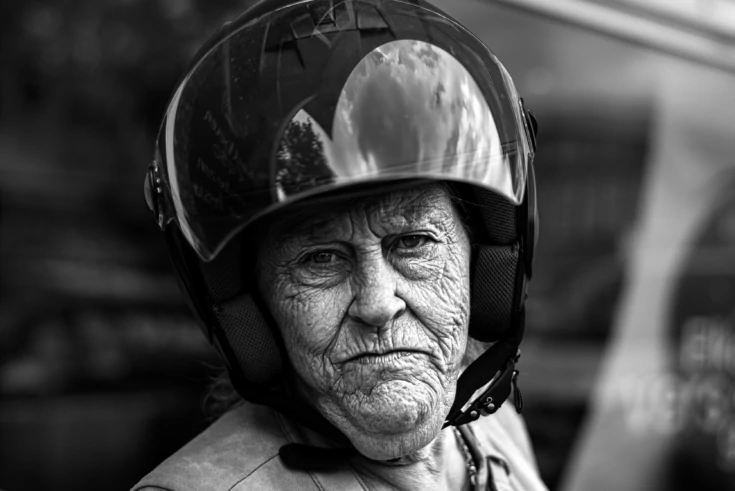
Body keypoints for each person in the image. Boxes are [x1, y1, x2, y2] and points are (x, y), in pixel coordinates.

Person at [135, 0, 547, 489]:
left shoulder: (496, 432)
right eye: (320, 259)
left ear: (484, 259)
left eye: (412, 242)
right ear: (250, 306)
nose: (377, 304)